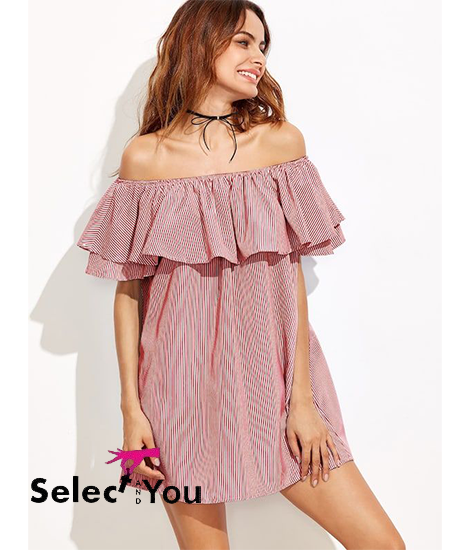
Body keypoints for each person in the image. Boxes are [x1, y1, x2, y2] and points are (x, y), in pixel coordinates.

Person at [77, 1, 406, 548]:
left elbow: (290, 275)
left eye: (262, 45)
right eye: (244, 42)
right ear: (200, 42)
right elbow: (129, 294)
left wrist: (302, 401)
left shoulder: (280, 144)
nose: (259, 58)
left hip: (274, 381)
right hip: (179, 394)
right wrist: (132, 414)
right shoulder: (146, 159)